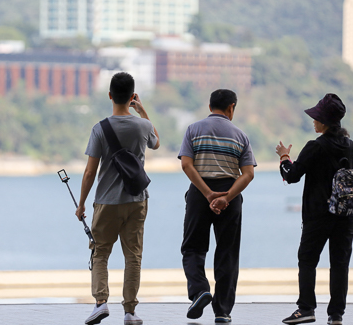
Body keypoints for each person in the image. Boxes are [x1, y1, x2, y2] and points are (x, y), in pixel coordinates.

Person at [75, 72, 159, 325]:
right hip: (137, 200)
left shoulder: (99, 128)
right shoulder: (143, 126)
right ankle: (130, 312)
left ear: (110, 95)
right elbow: (156, 143)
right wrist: (143, 111)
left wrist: (81, 204)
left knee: (100, 252)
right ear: (132, 96)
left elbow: (90, 172)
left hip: (107, 202)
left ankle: (101, 303)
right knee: (133, 255)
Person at [277, 94, 353, 325]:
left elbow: (292, 176)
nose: (313, 121)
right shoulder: (352, 147)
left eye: (316, 117)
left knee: (307, 259)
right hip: (346, 216)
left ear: (324, 122)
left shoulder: (315, 146)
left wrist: (284, 157)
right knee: (340, 263)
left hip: (318, 215)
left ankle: (306, 308)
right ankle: (336, 315)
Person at [179, 89, 256, 324]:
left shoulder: (193, 129)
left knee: (193, 248)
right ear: (231, 107)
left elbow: (187, 166)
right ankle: (222, 311)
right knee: (227, 253)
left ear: (210, 105)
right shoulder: (240, 135)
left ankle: (200, 290)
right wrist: (226, 197)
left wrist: (207, 193)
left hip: (200, 192)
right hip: (229, 196)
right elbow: (248, 174)